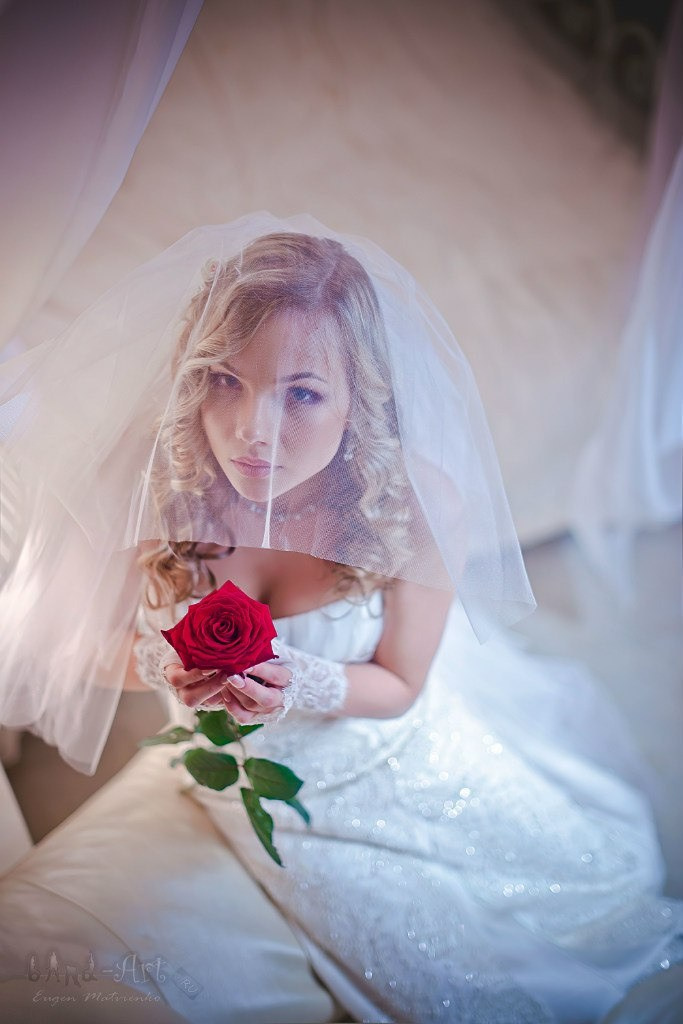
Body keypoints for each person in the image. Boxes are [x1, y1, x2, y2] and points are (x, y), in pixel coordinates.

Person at [0, 215, 681, 1023]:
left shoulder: (416, 503)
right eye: (225, 379)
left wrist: (299, 680)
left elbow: (400, 683)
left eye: (302, 393)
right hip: (244, 779)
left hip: (386, 748)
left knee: (575, 906)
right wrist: (162, 663)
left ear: (360, 398)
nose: (253, 430)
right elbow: (74, 650)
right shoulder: (161, 479)